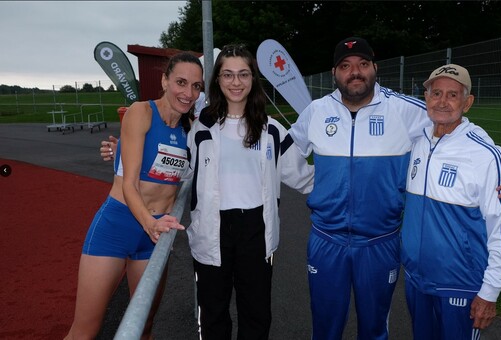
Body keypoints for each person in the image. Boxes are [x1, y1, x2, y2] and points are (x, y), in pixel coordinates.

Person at [288, 37, 501, 340]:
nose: (355, 72)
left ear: (374, 68)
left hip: (379, 242)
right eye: (346, 66)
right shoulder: (316, 111)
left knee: (374, 327)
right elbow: (285, 151)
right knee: (325, 326)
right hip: (327, 239)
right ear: (335, 73)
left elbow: (457, 124)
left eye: (363, 64)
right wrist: (314, 183)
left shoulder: (407, 110)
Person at [65, 52, 204, 340]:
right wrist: (149, 223)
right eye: (180, 82)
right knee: (85, 330)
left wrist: (154, 227)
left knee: (144, 324)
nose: (188, 93)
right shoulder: (141, 112)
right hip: (120, 224)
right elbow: (129, 184)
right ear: (164, 80)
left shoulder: (190, 128)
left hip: (153, 236)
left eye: (196, 86)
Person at [185, 44, 314, 340]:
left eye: (243, 74)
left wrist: (348, 176)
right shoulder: (201, 129)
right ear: (217, 79)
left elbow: (305, 178)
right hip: (212, 230)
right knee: (214, 313)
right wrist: (125, 156)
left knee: (256, 314)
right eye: (228, 74)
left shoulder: (271, 130)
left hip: (256, 230)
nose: (236, 82)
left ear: (253, 79)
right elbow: (179, 170)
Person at [401, 64, 501, 339]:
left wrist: (490, 291)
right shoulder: (418, 142)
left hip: (460, 284)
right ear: (426, 98)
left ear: (467, 103)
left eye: (452, 95)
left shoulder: (485, 155)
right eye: (436, 93)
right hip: (417, 280)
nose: (442, 101)